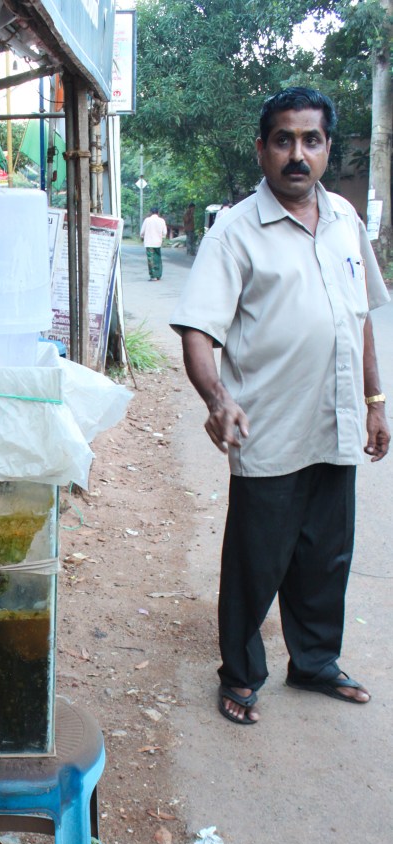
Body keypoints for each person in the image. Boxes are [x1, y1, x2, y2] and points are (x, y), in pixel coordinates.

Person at [169, 86, 390, 724]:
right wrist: (217, 400)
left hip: (337, 420)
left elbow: (361, 319)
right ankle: (239, 674)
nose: (299, 154)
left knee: (327, 556)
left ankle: (315, 663)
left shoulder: (346, 219)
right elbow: (198, 332)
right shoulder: (236, 231)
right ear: (262, 149)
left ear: (327, 148)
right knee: (255, 560)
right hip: (265, 428)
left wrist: (375, 401)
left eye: (312, 140)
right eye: (285, 140)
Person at [140, 206, 168, 281]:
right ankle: (158, 274)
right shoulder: (162, 220)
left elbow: (142, 232)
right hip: (158, 242)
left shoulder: (147, 220)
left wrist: (142, 236)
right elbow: (164, 232)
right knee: (158, 258)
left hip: (149, 243)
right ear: (158, 212)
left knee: (151, 259)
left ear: (151, 212)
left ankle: (153, 276)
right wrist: (162, 237)